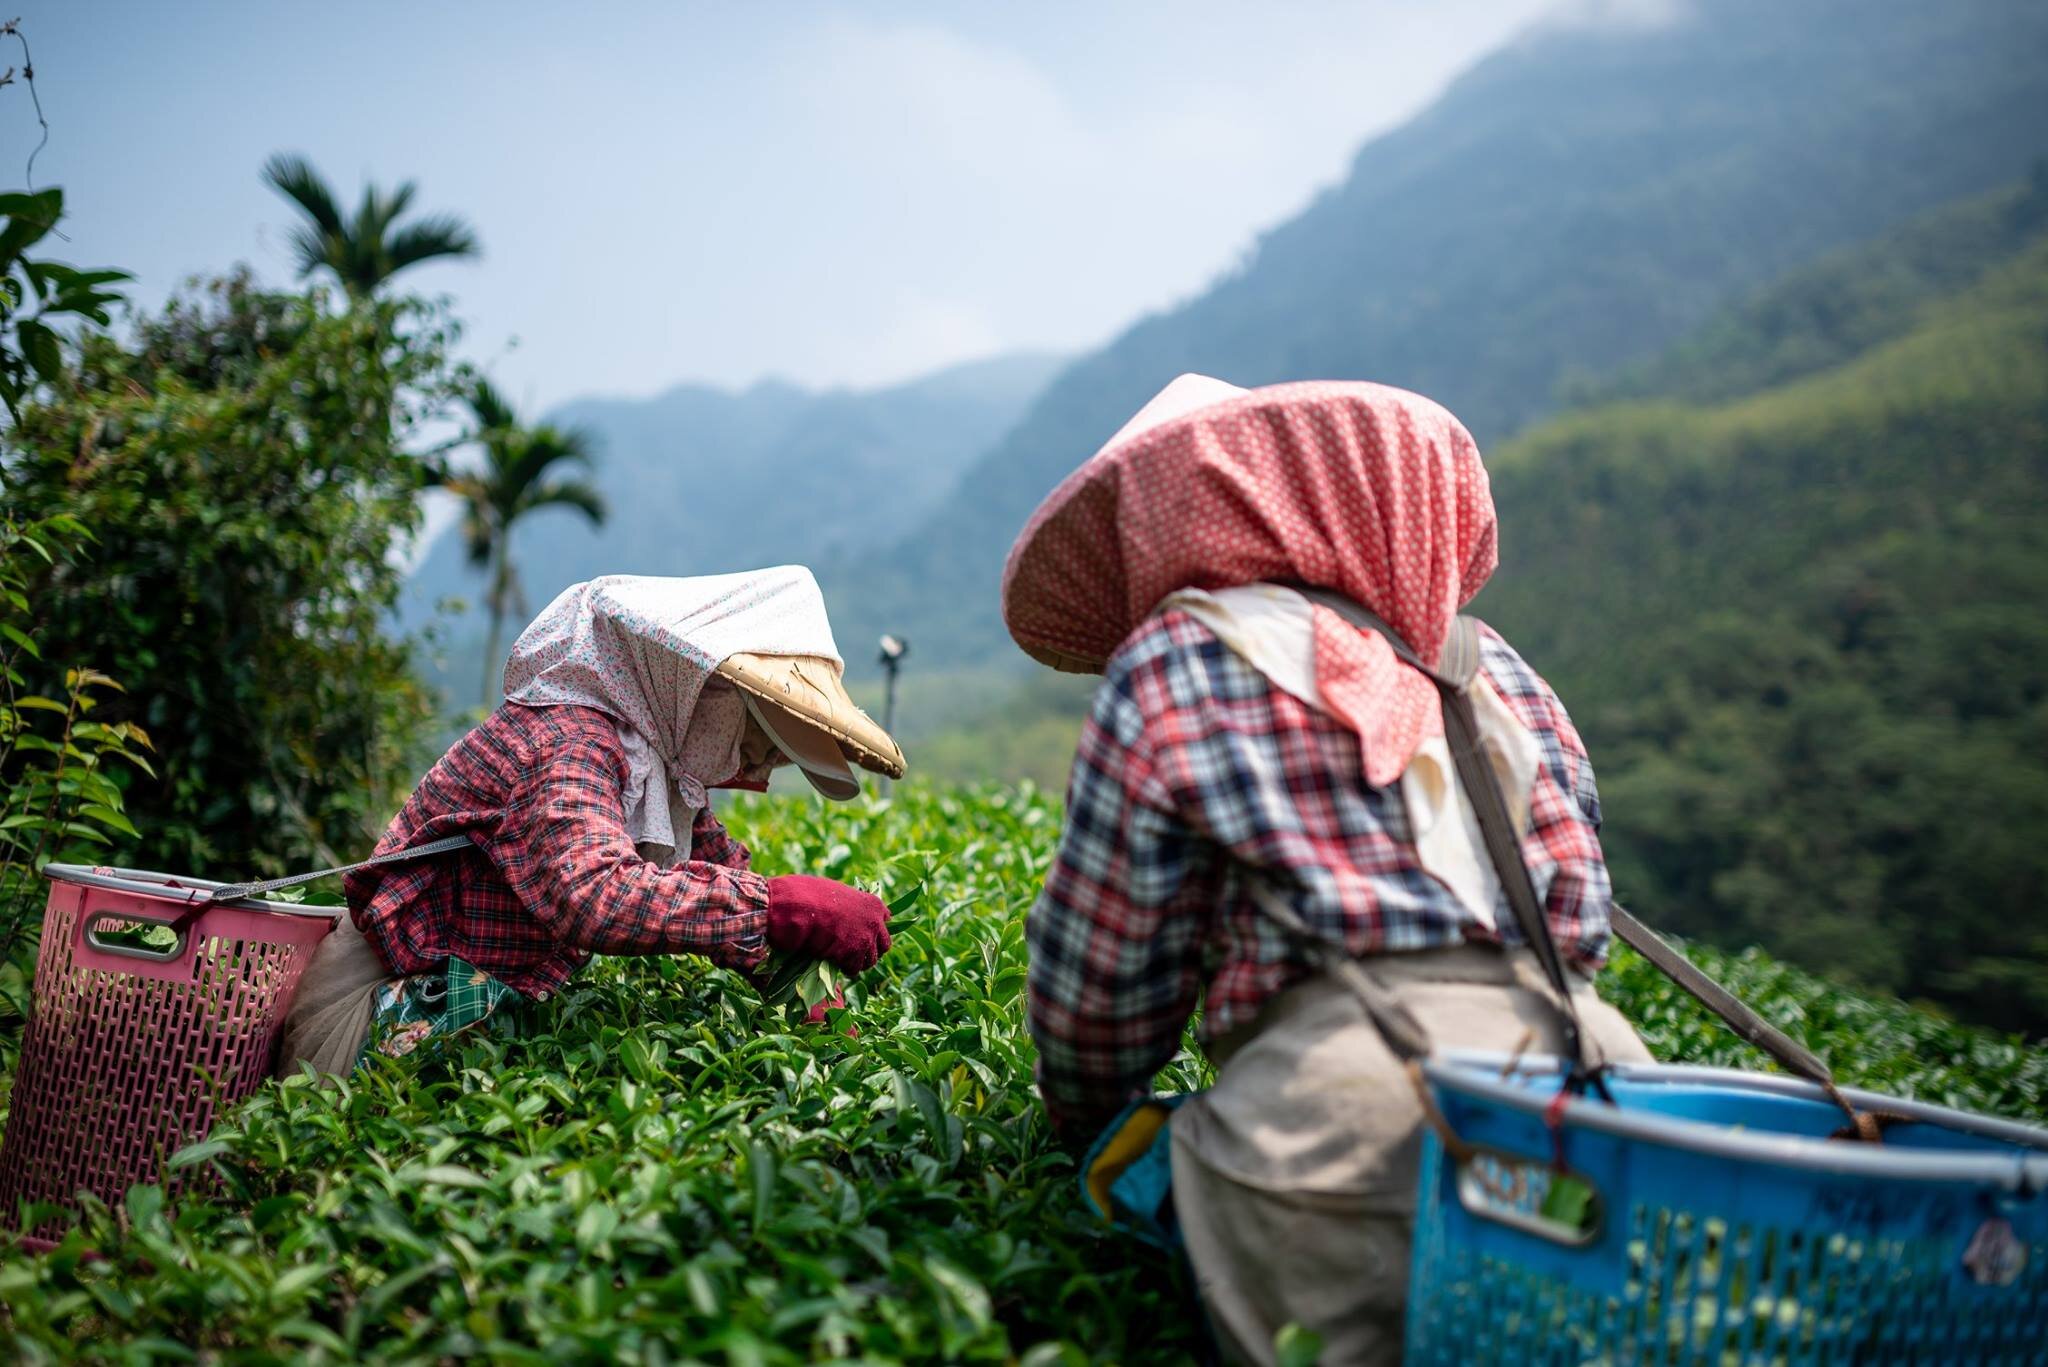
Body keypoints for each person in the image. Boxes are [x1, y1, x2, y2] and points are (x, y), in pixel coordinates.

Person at [1002, 376, 1651, 1364]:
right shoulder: (1495, 670)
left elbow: (1100, 995)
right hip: (1600, 1095)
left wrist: (1082, 1124)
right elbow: (1579, 910)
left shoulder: (1177, 660)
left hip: (1344, 1119)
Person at [277, 566, 903, 1076]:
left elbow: (715, 875)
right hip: (383, 1008)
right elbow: (592, 893)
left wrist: (802, 972)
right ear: (706, 693)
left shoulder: (657, 768)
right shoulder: (571, 740)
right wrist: (779, 908)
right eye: (756, 741)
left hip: (482, 1007)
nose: (755, 770)